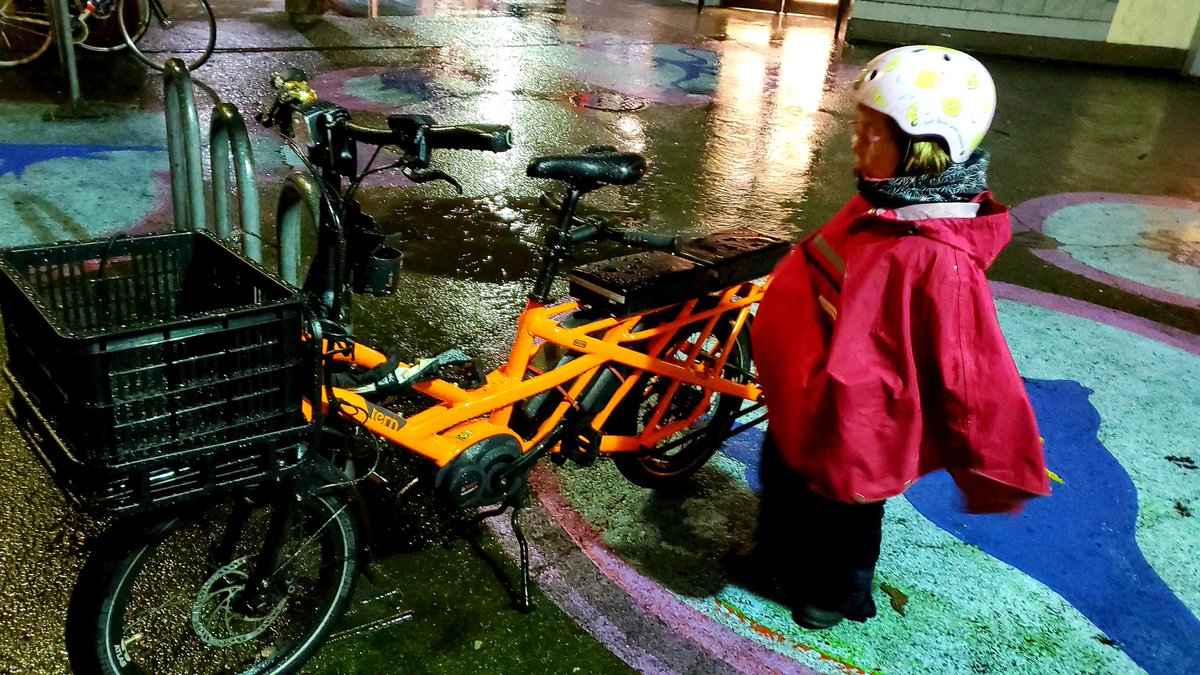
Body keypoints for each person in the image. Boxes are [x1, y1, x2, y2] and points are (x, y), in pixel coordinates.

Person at [746, 45, 1050, 630]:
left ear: (927, 148)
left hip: (861, 418)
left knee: (844, 510)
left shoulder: (937, 256)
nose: (857, 146)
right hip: (807, 399)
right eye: (857, 130)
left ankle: (842, 593)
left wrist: (994, 462)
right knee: (783, 476)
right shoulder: (882, 201)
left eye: (873, 135)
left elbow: (970, 369)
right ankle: (776, 552)